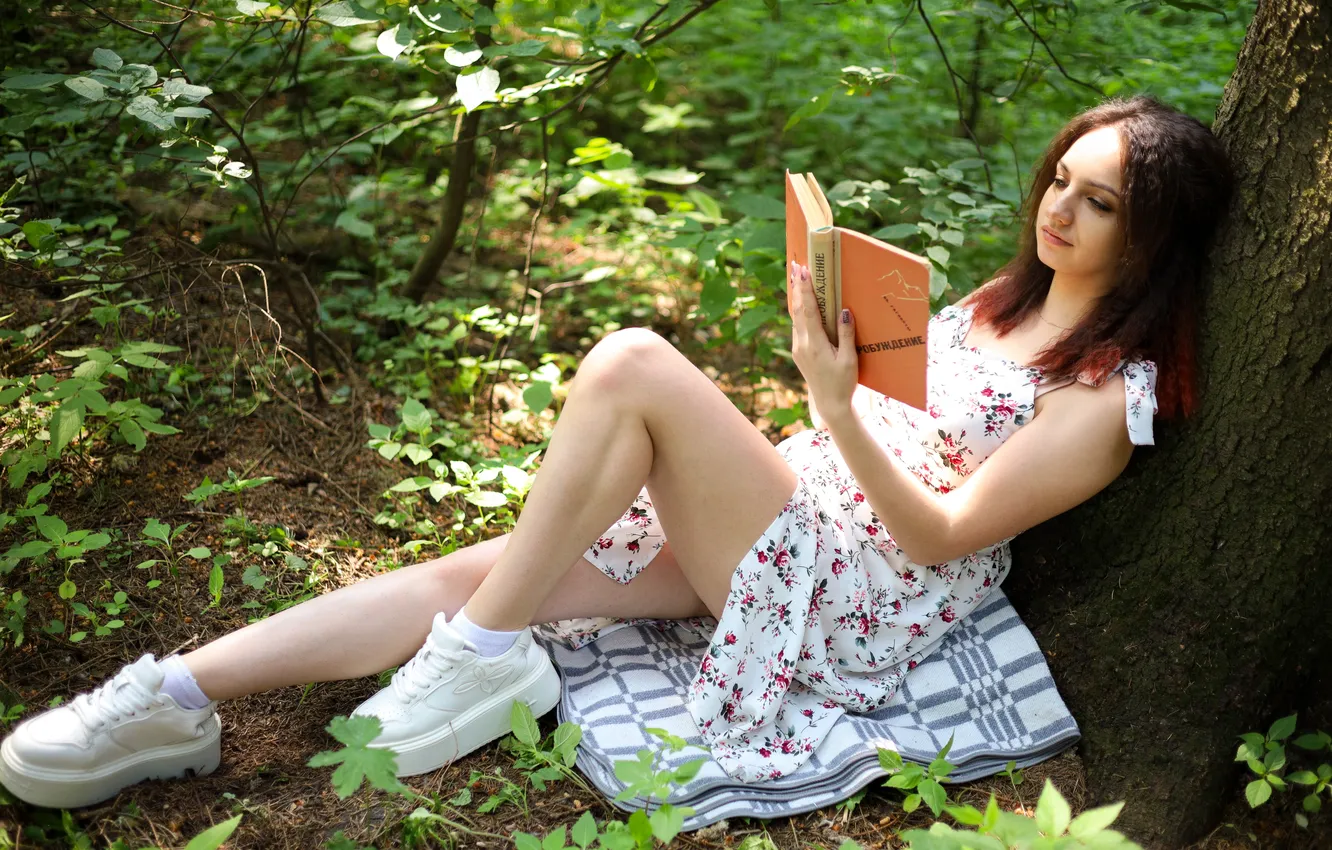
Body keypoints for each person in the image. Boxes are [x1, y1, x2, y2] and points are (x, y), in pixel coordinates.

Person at [0, 93, 1235, 809]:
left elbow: (943, 535)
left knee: (636, 363)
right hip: (794, 516)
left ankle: (482, 658)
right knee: (477, 576)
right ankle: (172, 701)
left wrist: (837, 404)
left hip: (863, 593)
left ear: (1155, 237)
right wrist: (833, 358)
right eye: (1060, 179)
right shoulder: (998, 302)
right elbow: (882, 414)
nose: (1057, 209)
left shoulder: (1099, 405)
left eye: (1100, 201)